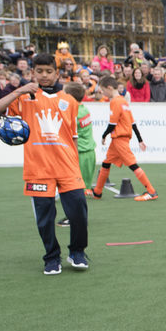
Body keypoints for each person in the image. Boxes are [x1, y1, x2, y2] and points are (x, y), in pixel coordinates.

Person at [0, 53, 89, 274]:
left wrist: (76, 165)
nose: (44, 76)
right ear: (32, 73)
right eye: (39, 71)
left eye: (48, 71)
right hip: (38, 169)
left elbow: (72, 137)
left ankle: (77, 252)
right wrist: (18, 91)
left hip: (68, 167)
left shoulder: (70, 101)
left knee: (78, 213)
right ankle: (52, 257)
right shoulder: (24, 98)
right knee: (45, 219)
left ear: (57, 73)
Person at [91, 75, 159, 202]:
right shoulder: (123, 101)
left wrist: (104, 135)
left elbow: (112, 124)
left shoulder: (115, 102)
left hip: (119, 139)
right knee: (106, 163)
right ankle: (97, 192)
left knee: (133, 165)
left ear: (109, 88)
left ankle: (151, 191)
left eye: (103, 90)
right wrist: (140, 139)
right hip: (119, 139)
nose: (103, 93)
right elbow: (132, 123)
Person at [57, 82, 97, 226]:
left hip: (79, 154)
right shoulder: (84, 109)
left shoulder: (73, 112)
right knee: (81, 189)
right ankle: (78, 217)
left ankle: (74, 218)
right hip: (89, 152)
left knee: (73, 190)